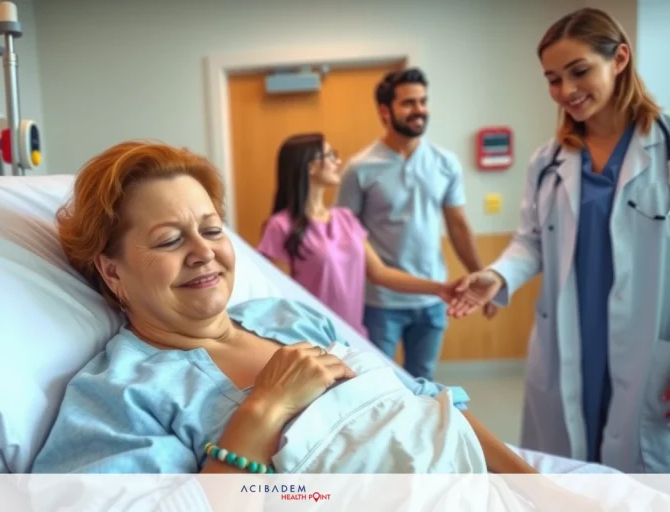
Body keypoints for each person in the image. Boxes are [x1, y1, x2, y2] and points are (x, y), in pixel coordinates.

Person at [30, 140, 543, 477]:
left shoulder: (288, 317)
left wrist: (541, 491)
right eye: (168, 240)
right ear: (112, 271)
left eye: (212, 230)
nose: (204, 251)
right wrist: (265, 407)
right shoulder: (121, 394)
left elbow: (431, 407)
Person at [448, 8, 670, 473]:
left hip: (652, 342)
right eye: (553, 79)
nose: (566, 90)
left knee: (642, 480)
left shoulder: (663, 148)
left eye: (579, 71)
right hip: (573, 338)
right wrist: (496, 274)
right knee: (568, 472)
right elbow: (529, 241)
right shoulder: (547, 161)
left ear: (620, 58)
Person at [335, 67, 495, 381]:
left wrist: (481, 276)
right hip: (380, 303)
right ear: (385, 111)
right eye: (409, 103)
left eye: (423, 101)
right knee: (374, 382)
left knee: (422, 382)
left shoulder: (445, 163)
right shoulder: (359, 169)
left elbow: (458, 225)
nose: (419, 110)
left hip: (434, 300)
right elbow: (345, 235)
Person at [258, 132, 467, 338]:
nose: (337, 162)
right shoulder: (280, 227)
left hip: (353, 335)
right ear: (310, 167)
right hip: (310, 339)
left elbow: (381, 274)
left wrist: (440, 288)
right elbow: (279, 296)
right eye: (330, 155)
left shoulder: (345, 219)